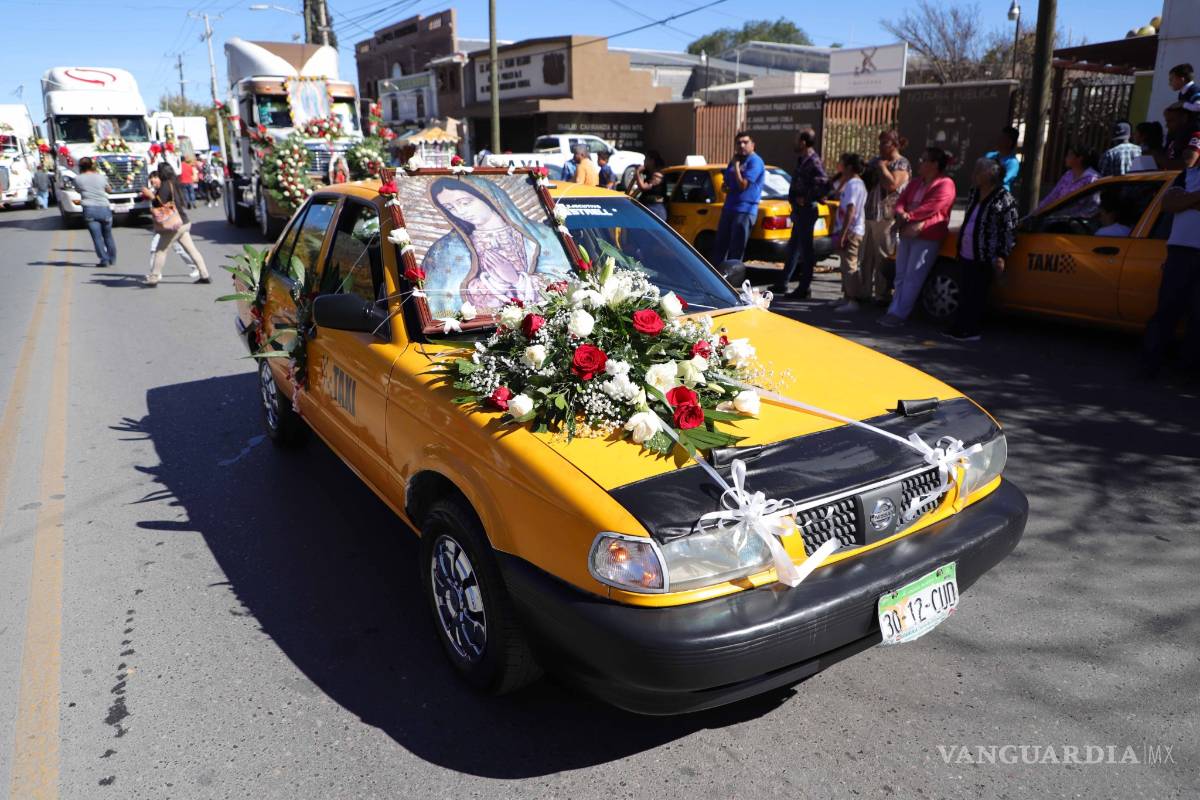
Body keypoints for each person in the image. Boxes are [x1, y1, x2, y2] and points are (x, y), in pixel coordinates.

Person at [1142, 131, 1200, 378]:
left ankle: (1188, 370)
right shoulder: (1187, 175)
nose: (1191, 154)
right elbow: (1169, 204)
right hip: (1180, 252)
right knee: (1167, 310)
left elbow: (1179, 203)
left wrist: (1186, 201)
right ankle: (1150, 365)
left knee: (1197, 316)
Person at [879, 146, 956, 327]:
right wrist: (902, 213)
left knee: (914, 275)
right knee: (901, 274)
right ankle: (894, 308)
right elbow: (901, 201)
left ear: (934, 164)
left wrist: (910, 217)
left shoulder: (945, 183)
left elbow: (933, 207)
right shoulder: (915, 182)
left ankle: (900, 313)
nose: (920, 163)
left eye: (924, 160)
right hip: (907, 232)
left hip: (926, 235)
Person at [944, 158, 1018, 341]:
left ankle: (971, 329)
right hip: (966, 251)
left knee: (977, 293)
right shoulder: (974, 193)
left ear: (990, 174)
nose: (974, 173)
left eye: (979, 170)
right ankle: (958, 326)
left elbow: (1009, 229)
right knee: (965, 290)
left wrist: (1002, 255)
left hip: (985, 254)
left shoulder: (1004, 198)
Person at [772, 130, 828, 298]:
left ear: (803, 142)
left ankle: (804, 288)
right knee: (794, 247)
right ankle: (783, 283)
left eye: (797, 140)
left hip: (807, 211)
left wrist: (807, 198)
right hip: (798, 210)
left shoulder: (813, 160)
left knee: (806, 250)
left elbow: (823, 182)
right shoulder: (803, 160)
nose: (794, 143)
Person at [859, 129, 911, 305]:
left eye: (885, 143)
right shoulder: (875, 160)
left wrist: (881, 167)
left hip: (887, 216)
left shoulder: (901, 164)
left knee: (883, 256)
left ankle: (882, 294)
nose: (881, 146)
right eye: (880, 142)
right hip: (870, 213)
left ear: (895, 144)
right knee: (866, 256)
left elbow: (892, 184)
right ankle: (863, 292)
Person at [144, 163, 210, 287]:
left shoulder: (165, 186)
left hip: (174, 224)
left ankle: (154, 278)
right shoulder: (174, 183)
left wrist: (150, 195)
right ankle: (205, 274)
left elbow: (159, 204)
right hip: (183, 221)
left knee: (160, 250)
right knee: (192, 250)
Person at [711, 132, 765, 266]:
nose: (741, 145)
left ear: (753, 145)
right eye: (738, 142)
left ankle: (731, 281)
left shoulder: (755, 161)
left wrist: (736, 166)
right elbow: (726, 184)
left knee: (736, 249)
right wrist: (726, 186)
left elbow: (743, 185)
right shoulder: (735, 159)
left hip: (744, 210)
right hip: (729, 207)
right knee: (720, 245)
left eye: (745, 142)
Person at [831, 153, 867, 312]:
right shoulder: (850, 183)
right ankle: (846, 297)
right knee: (844, 265)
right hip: (848, 230)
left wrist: (844, 234)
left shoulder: (854, 184)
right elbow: (838, 195)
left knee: (850, 265)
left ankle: (853, 300)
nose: (839, 165)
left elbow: (851, 210)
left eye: (842, 163)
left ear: (849, 167)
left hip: (851, 231)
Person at [1033, 144, 1099, 216]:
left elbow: (1094, 207)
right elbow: (1053, 194)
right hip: (1057, 218)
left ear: (1080, 158)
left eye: (1069, 155)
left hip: (1077, 223)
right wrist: (1039, 209)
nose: (1066, 158)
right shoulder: (1068, 175)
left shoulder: (1092, 179)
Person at [75, 157, 116, 267]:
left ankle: (104, 259)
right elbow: (109, 190)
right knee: (108, 235)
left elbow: (78, 190)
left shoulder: (78, 179)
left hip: (89, 209)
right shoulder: (100, 177)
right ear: (92, 165)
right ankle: (112, 258)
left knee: (97, 237)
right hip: (104, 208)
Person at [633, 150, 668, 221]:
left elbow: (643, 187)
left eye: (646, 159)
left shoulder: (658, 175)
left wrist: (637, 172)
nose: (644, 161)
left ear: (652, 161)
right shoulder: (649, 175)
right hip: (647, 207)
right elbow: (640, 188)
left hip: (655, 209)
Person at [984, 126, 1020, 192]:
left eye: (1002, 138)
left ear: (1009, 142)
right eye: (999, 137)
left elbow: (1002, 180)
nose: (998, 140)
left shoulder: (1013, 163)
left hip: (1000, 195)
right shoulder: (989, 155)